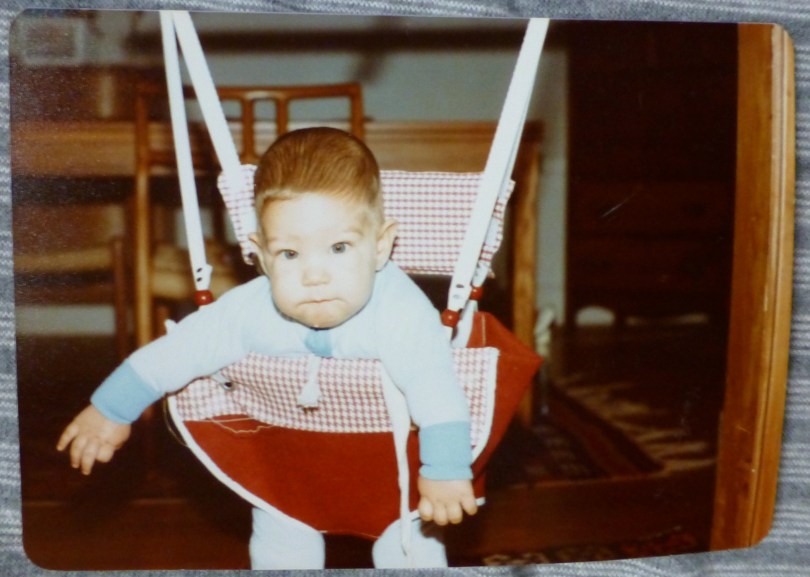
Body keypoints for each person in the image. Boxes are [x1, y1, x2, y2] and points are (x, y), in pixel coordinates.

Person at [56, 126, 478, 569]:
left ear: (380, 246)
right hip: (289, 462)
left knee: (410, 543)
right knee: (280, 530)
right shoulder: (249, 310)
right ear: (260, 255)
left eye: (339, 248)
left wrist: (445, 470)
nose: (314, 276)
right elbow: (176, 352)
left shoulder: (401, 313)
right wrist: (111, 409)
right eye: (290, 254)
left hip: (393, 469)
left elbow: (435, 389)